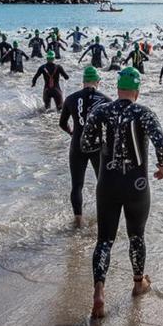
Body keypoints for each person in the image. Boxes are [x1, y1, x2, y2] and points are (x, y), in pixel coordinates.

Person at [79, 67, 163, 319]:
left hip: (107, 183)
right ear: (137, 92)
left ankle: (99, 291)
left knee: (104, 240)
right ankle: (139, 284)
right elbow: (160, 141)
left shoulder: (101, 110)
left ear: (118, 89)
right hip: (136, 184)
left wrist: (105, 147)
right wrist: (162, 166)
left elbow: (86, 144)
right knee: (136, 237)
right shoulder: (144, 113)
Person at [59, 66, 111, 225]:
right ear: (98, 82)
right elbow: (111, 128)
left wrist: (72, 133)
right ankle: (104, 217)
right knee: (102, 184)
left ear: (83, 82)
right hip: (97, 146)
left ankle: (78, 220)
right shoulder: (106, 100)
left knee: (77, 185)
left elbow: (62, 124)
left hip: (77, 145)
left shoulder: (71, 98)